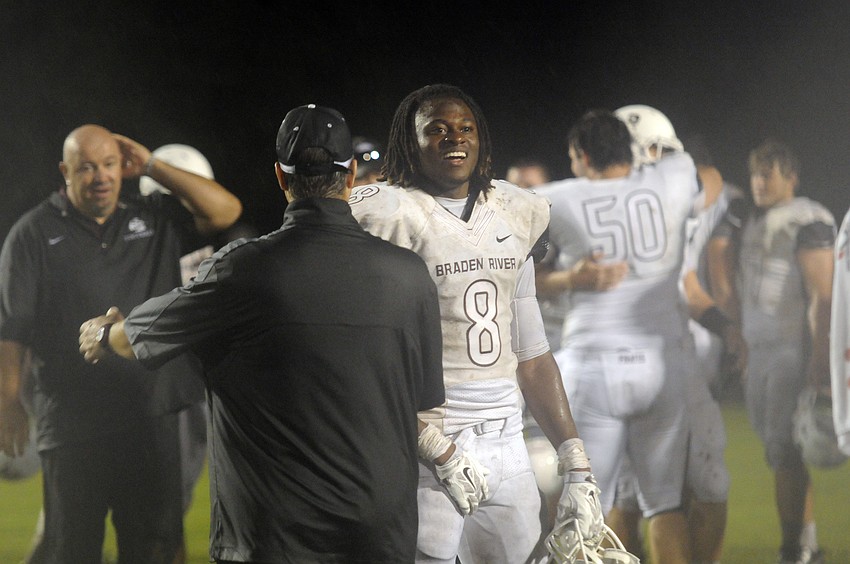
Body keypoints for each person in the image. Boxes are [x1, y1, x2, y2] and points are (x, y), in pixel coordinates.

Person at [80, 104, 448, 564]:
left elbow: (132, 338)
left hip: (274, 533)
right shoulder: (410, 275)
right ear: (351, 174)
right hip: (380, 532)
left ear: (280, 176)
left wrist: (102, 332)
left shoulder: (241, 269)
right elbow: (425, 400)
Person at [348, 84, 606, 564]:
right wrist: (429, 442)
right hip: (426, 439)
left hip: (506, 438)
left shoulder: (514, 210)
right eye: (438, 130)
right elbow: (359, 357)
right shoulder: (384, 213)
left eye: (465, 128)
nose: (454, 139)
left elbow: (531, 352)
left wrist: (575, 460)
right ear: (410, 141)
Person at [0, 124, 242, 563]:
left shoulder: (152, 215)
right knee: (72, 550)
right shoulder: (32, 234)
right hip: (72, 422)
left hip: (150, 415)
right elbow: (12, 329)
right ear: (65, 171)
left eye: (110, 164)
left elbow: (225, 211)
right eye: (88, 167)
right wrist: (9, 401)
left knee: (155, 548)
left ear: (123, 167)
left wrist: (151, 165)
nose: (101, 176)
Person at [535, 108, 703, 564]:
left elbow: (513, 270)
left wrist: (571, 279)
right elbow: (701, 176)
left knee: (583, 509)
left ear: (582, 156)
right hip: (661, 364)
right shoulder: (675, 178)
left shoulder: (558, 197)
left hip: (594, 365)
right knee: (665, 506)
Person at [709, 139, 833, 564]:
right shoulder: (758, 221)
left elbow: (824, 295)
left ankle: (792, 548)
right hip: (759, 350)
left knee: (783, 450)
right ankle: (808, 544)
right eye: (756, 174)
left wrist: (820, 357)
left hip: (789, 348)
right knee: (780, 451)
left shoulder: (808, 217)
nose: (759, 182)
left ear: (791, 178)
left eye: (769, 174)